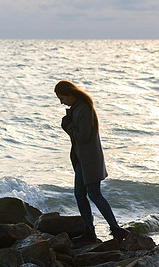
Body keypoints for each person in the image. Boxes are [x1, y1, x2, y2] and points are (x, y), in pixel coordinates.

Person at [54, 80, 129, 244]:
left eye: (62, 98)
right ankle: (89, 231)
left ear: (71, 95)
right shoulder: (78, 108)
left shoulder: (84, 109)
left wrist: (67, 125)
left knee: (94, 194)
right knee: (80, 194)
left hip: (90, 159)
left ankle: (115, 229)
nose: (61, 102)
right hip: (83, 159)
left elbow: (83, 136)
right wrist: (69, 123)